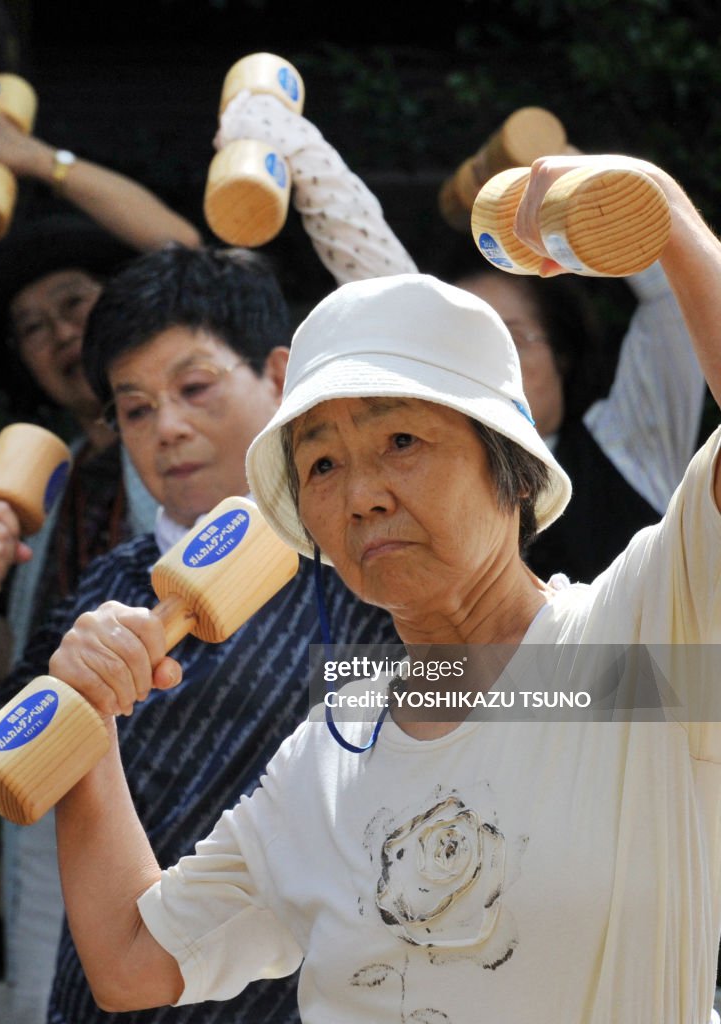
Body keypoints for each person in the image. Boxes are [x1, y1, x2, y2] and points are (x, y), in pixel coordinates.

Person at [45, 154, 721, 1023]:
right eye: (321, 463)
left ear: (512, 473)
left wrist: (660, 213)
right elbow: (135, 964)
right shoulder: (331, 751)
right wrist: (87, 727)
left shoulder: (638, 653)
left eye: (401, 440)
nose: (360, 493)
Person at [0, 244, 401, 1024]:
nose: (166, 427)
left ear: (278, 377)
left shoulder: (379, 563)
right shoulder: (108, 588)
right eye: (135, 408)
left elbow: (584, 692)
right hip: (109, 1000)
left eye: (195, 387)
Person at [0, 117, 199, 1022]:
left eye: (74, 304)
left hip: (204, 798)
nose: (59, 334)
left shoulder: (205, 446)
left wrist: (40, 163)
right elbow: (14, 678)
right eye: (33, 327)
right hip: (57, 828)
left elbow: (192, 255)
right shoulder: (37, 481)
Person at [433, 193, 704, 584]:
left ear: (560, 352)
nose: (488, 367)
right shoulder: (428, 483)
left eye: (511, 341)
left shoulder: (628, 444)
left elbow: (676, 298)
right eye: (462, 349)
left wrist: (591, 191)